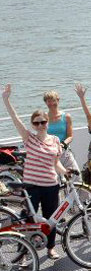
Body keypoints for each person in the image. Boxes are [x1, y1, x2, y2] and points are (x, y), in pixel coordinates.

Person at [3, 84, 66, 259]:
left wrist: (65, 172)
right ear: (33, 124)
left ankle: (51, 248)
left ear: (47, 122)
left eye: (43, 122)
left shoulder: (54, 140)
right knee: (27, 220)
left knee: (51, 218)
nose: (40, 125)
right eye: (36, 123)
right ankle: (23, 253)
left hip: (51, 185)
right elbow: (15, 119)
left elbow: (56, 163)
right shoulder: (29, 138)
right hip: (31, 186)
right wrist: (6, 100)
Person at [44, 90, 78, 170]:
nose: (51, 103)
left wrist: (62, 145)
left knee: (76, 174)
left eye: (53, 100)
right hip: (49, 152)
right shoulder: (43, 117)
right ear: (46, 102)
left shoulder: (66, 117)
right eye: (49, 101)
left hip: (64, 150)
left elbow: (70, 136)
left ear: (58, 100)